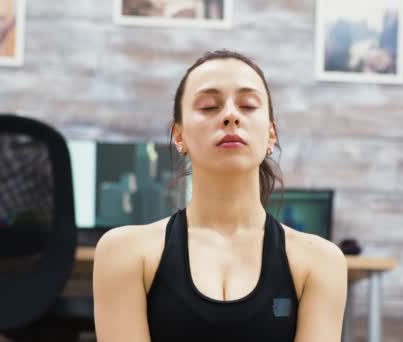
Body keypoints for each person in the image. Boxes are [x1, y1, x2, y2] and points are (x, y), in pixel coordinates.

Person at [93, 49, 348, 341]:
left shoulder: (320, 262)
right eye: (209, 107)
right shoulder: (124, 253)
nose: (230, 116)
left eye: (248, 105)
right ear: (179, 136)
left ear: (271, 135)